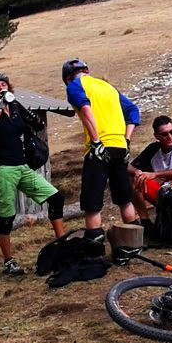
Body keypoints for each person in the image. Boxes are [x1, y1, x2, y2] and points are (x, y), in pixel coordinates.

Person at [0, 72, 65, 275]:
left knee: (56, 198)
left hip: (23, 167)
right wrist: (0, 109)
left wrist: (20, 108)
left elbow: (38, 125)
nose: (1, 87)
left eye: (4, 84)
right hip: (4, 170)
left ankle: (62, 244)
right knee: (8, 216)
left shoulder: (16, 107)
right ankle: (9, 261)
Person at [61, 58, 140, 255]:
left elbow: (86, 109)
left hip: (99, 149)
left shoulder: (74, 86)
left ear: (68, 77)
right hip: (120, 147)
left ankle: (95, 252)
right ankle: (134, 246)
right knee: (124, 199)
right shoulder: (108, 87)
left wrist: (96, 141)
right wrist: (126, 140)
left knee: (92, 203)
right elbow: (133, 111)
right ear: (87, 70)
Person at [127, 115, 172, 223]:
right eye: (164, 134)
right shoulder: (153, 149)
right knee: (134, 178)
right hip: (163, 193)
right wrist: (138, 172)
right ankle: (146, 222)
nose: (170, 136)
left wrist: (156, 175)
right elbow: (128, 167)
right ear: (156, 136)